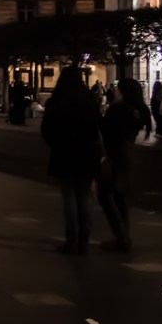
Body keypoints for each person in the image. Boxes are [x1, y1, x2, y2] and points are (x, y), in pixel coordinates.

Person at [41, 66, 103, 255]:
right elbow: (98, 127)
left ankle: (71, 239)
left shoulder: (57, 101)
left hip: (65, 153)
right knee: (84, 197)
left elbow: (47, 130)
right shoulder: (89, 100)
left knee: (68, 196)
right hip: (87, 153)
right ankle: (84, 239)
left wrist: (57, 144)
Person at [98, 77, 144, 251]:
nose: (115, 91)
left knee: (105, 195)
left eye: (118, 89)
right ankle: (123, 235)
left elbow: (106, 129)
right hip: (127, 154)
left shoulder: (117, 109)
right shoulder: (137, 110)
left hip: (115, 155)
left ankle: (121, 236)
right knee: (120, 196)